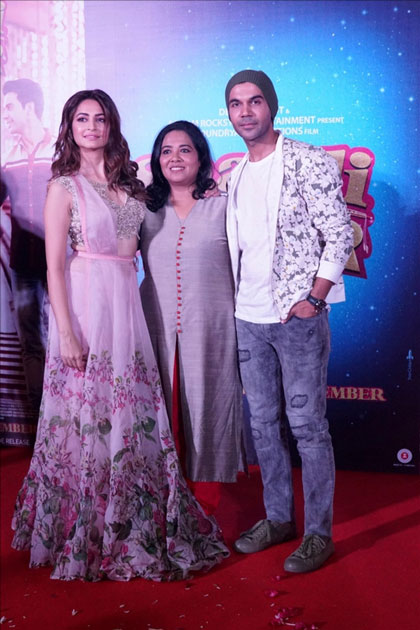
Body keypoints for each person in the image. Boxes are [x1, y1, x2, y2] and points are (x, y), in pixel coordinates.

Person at [11, 90, 228, 582]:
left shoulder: (130, 185)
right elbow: (53, 269)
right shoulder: (62, 188)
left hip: (127, 307)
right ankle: (86, 527)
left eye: (101, 118)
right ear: (69, 127)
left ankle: (129, 517)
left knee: (128, 412)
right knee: (86, 414)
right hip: (85, 307)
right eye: (82, 118)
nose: (92, 126)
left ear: (112, 125)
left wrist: (210, 192)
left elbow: (152, 225)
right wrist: (65, 332)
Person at [224, 70, 354, 573]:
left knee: (306, 427)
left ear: (272, 107)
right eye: (236, 104)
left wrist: (314, 299)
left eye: (255, 101)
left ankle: (319, 533)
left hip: (295, 318)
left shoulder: (306, 160)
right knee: (261, 424)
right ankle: (278, 518)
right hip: (247, 317)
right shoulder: (234, 174)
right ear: (229, 112)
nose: (246, 112)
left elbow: (339, 233)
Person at [140, 121, 245, 515]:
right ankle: (161, 504)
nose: (175, 158)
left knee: (208, 411)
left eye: (185, 149)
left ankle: (204, 511)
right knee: (162, 414)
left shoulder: (224, 207)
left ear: (201, 156)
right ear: (156, 160)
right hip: (156, 331)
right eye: (166, 151)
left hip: (212, 331)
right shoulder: (145, 212)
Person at [1, 79, 53, 416]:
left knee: (72, 338)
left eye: (9, 107)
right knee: (31, 344)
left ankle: (74, 424)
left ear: (29, 107)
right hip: (24, 266)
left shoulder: (64, 149)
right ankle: (41, 430)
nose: (4, 115)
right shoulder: (6, 153)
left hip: (65, 261)